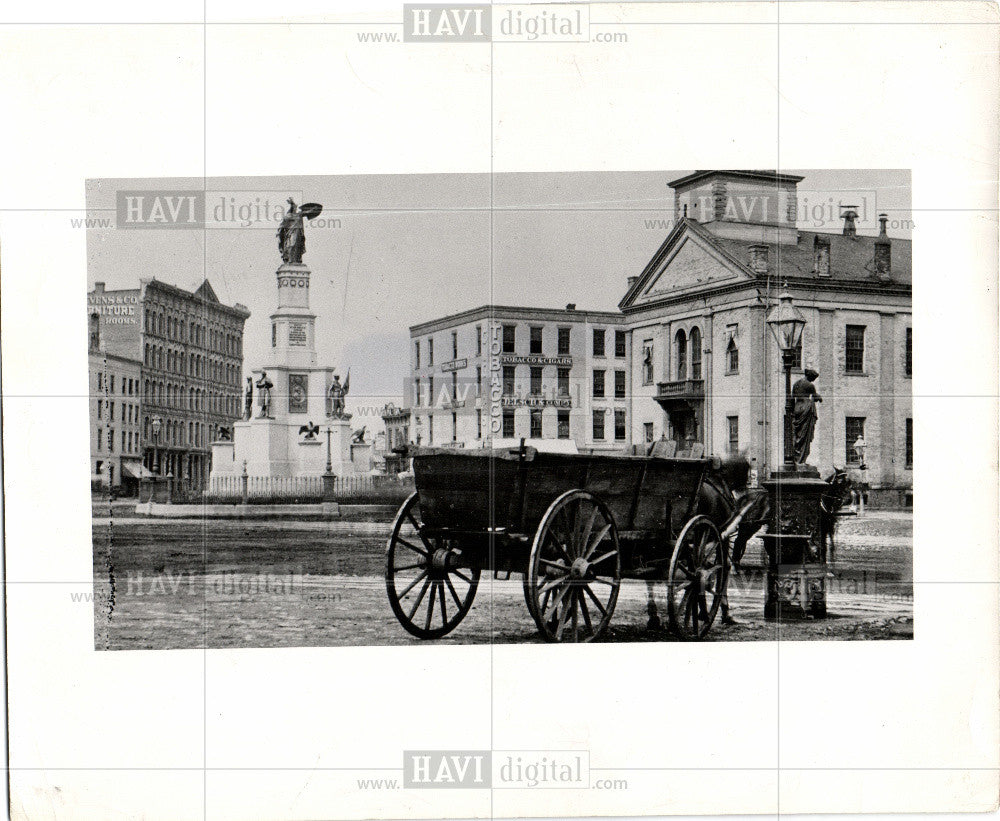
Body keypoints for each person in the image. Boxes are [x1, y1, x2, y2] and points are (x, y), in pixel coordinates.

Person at [791, 367, 822, 464]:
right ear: (810, 376)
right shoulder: (810, 385)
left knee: (797, 433)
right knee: (805, 435)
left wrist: (792, 410)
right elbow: (815, 396)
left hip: (797, 407)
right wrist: (820, 398)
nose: (814, 380)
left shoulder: (796, 384)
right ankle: (801, 459)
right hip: (806, 408)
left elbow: (792, 397)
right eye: (814, 378)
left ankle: (796, 457)